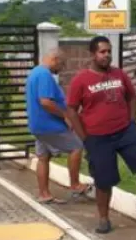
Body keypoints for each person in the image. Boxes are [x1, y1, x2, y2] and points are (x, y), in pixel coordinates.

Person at [67, 36, 136, 233]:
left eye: (109, 51)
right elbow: (72, 109)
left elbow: (131, 97)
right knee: (104, 179)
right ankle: (103, 218)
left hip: (125, 131)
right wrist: (85, 138)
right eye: (102, 52)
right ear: (93, 54)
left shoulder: (118, 74)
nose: (107, 55)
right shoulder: (81, 79)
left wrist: (131, 121)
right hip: (97, 136)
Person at [25, 48, 90, 203]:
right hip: (50, 125)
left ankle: (44, 194)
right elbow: (45, 102)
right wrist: (65, 115)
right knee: (76, 146)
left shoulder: (34, 72)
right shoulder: (44, 75)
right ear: (54, 59)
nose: (61, 69)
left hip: (38, 125)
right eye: (62, 65)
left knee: (43, 157)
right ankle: (75, 184)